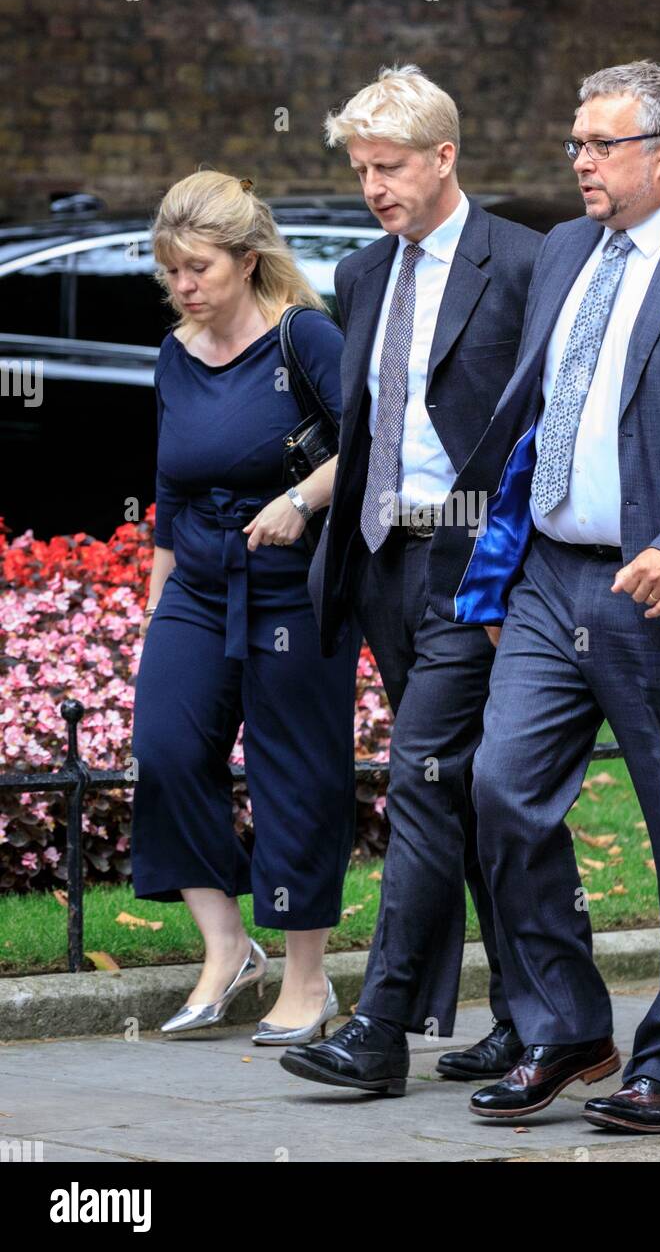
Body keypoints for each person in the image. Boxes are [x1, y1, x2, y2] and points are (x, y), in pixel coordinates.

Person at [426, 60, 660, 1130]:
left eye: (599, 144)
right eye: (574, 144)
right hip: (551, 576)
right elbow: (539, 413)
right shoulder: (562, 252)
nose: (578, 162)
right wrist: (493, 558)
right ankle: (565, 1025)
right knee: (498, 788)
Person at [280, 65, 542, 1097]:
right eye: (358, 169)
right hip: (384, 559)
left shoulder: (523, 262)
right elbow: (367, 423)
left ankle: (379, 1028)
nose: (373, 186)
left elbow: (542, 427)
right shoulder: (358, 274)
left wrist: (514, 570)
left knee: (425, 782)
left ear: (444, 156)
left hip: (473, 566)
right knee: (467, 798)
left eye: (388, 166)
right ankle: (531, 1021)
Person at [131, 170, 361, 1043]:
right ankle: (227, 946)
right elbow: (166, 487)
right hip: (197, 584)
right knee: (165, 744)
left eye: (199, 269)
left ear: (247, 258)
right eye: (172, 271)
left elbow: (368, 445)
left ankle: (307, 979)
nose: (185, 286)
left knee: (294, 775)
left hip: (293, 589)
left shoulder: (305, 339)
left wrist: (300, 500)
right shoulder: (174, 352)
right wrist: (157, 613)